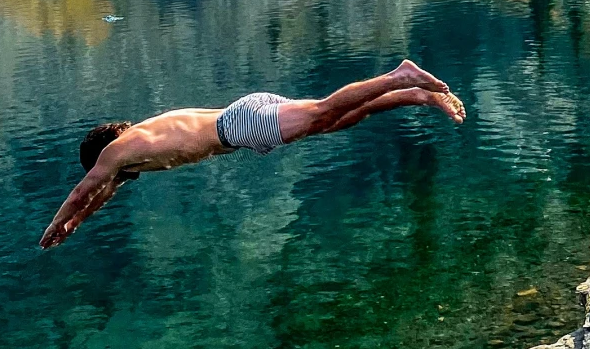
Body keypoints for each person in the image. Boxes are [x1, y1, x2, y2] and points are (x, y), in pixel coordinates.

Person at [40, 59, 465, 250]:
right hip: (242, 121)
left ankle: (399, 75)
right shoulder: (133, 148)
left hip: (238, 126)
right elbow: (101, 195)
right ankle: (413, 95)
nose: (107, 179)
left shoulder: (113, 154)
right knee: (333, 121)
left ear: (100, 153)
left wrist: (58, 224)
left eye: (100, 169)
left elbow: (85, 190)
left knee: (324, 111)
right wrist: (77, 223)